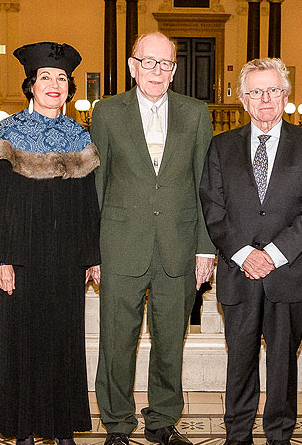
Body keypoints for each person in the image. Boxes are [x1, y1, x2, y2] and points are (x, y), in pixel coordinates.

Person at [90, 31, 215, 445]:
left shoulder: (196, 113)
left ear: (175, 69)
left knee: (169, 342)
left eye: (166, 64)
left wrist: (205, 248)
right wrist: (93, 252)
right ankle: (118, 424)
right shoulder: (107, 113)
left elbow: (205, 186)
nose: (157, 72)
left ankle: (162, 420)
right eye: (149, 62)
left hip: (178, 249)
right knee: (116, 342)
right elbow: (97, 185)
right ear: (132, 65)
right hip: (120, 247)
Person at [199, 58, 302, 445]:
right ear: (243, 100)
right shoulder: (220, 147)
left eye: (273, 90)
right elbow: (212, 207)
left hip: (288, 274)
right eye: (256, 91)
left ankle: (279, 435)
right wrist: (243, 253)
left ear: (286, 96)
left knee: (282, 362)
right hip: (238, 273)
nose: (265, 99)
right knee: (239, 361)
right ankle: (237, 434)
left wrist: (272, 253)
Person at [0, 42, 101, 445]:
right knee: (22, 341)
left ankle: (61, 426)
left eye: (61, 79)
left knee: (65, 339)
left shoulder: (79, 135)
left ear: (70, 88)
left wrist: (92, 256)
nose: (54, 84)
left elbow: (90, 202)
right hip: (21, 256)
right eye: (45, 78)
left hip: (68, 257)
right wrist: (0, 257)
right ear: (30, 85)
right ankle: (23, 429)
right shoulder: (6, 133)